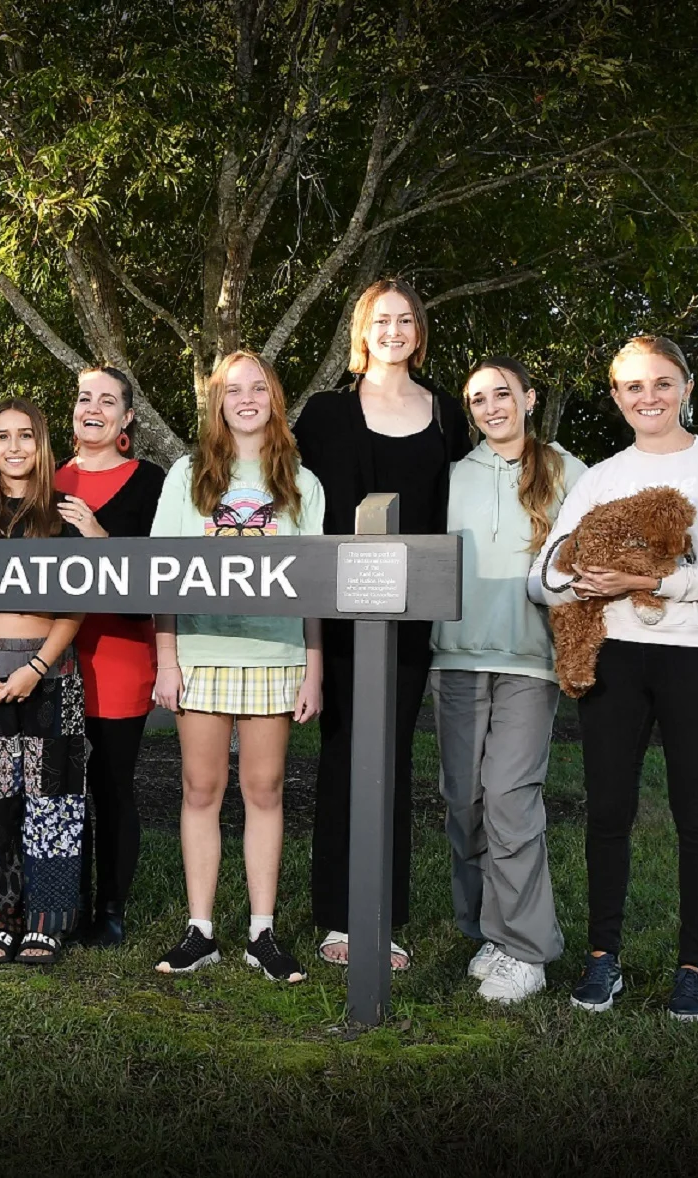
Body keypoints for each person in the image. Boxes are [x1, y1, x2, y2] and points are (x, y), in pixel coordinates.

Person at [529, 336, 698, 1022]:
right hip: (616, 658)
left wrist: (649, 577)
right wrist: (578, 576)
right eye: (632, 387)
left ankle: (693, 969)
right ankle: (603, 956)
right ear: (615, 397)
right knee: (606, 812)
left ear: (685, 387)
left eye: (661, 383)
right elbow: (545, 576)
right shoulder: (599, 476)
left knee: (697, 813)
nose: (648, 397)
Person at [293, 278, 466, 972]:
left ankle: (382, 919)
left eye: (404, 319)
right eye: (379, 320)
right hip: (337, 611)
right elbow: (291, 497)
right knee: (341, 755)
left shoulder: (446, 414)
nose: (392, 329)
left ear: (417, 334)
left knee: (389, 756)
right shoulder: (324, 413)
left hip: (409, 616)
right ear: (360, 333)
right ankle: (335, 916)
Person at [150, 351, 326, 981]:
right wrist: (166, 660)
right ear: (217, 403)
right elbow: (159, 575)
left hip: (273, 655)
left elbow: (318, 587)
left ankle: (262, 932)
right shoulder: (187, 475)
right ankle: (200, 930)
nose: (246, 398)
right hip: (201, 653)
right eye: (232, 390)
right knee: (200, 790)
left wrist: (314, 669)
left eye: (258, 388)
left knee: (264, 790)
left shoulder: (302, 483)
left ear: (274, 399)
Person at [430, 356, 586, 1002]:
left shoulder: (567, 472)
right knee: (462, 803)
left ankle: (527, 949)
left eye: (501, 393)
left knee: (508, 800)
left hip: (528, 661)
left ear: (527, 397)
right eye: (476, 399)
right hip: (456, 660)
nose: (490, 406)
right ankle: (487, 931)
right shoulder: (447, 477)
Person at [0, 398, 85, 965]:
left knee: (52, 802)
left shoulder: (62, 516)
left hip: (51, 672)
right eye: (1, 437)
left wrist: (36, 668)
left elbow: (79, 604)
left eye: (25, 435)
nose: (13, 447)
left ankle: (46, 920)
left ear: (41, 443)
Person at [53, 366, 166, 946]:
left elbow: (160, 573)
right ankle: (61, 901)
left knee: (111, 784)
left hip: (120, 656)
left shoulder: (151, 482)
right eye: (82, 398)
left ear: (126, 418)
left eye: (106, 401)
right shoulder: (46, 478)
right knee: (60, 784)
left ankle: (111, 909)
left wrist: (100, 539)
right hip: (53, 660)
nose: (91, 408)